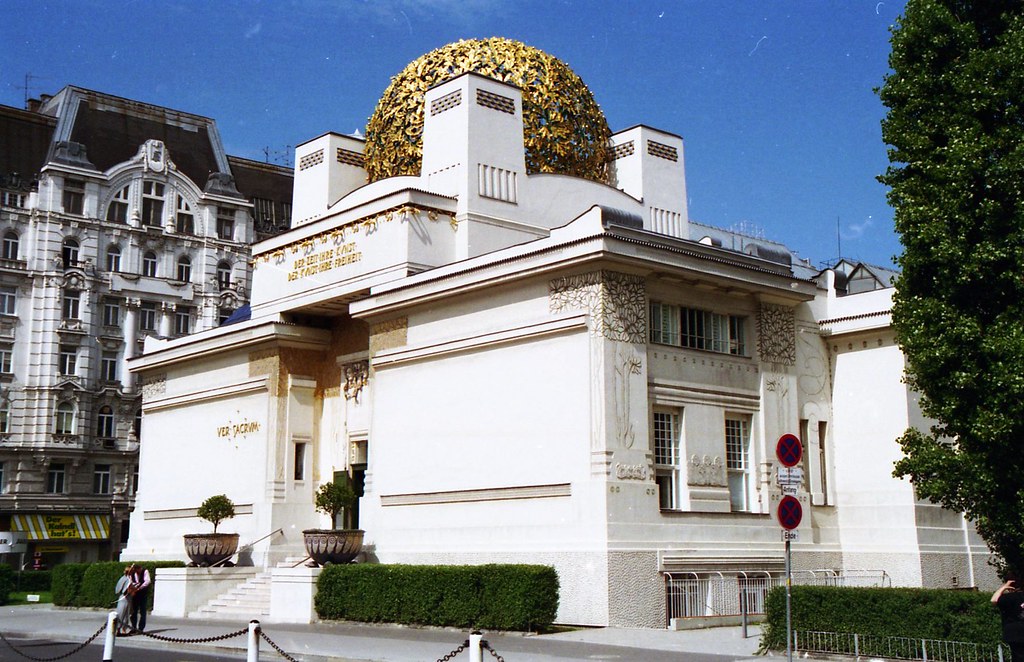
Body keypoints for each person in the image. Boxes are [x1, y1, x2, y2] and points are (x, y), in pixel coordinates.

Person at [992, 574, 1024, 662]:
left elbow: (994, 600)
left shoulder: (1007, 598)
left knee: (1018, 657)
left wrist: (1004, 587)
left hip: (1014, 633)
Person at [129, 564, 152, 633]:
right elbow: (130, 581)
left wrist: (140, 587)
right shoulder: (132, 574)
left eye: (137, 570)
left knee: (143, 611)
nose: (136, 572)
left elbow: (147, 581)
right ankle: (133, 627)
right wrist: (133, 587)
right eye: (135, 571)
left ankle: (141, 628)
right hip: (135, 594)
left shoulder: (145, 571)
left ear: (139, 568)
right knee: (133, 611)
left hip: (142, 594)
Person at [113, 566, 133, 636]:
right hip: (125, 598)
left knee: (125, 614)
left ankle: (123, 630)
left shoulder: (125, 578)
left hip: (125, 598)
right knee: (122, 613)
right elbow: (125, 590)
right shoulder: (126, 579)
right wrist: (131, 589)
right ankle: (118, 630)